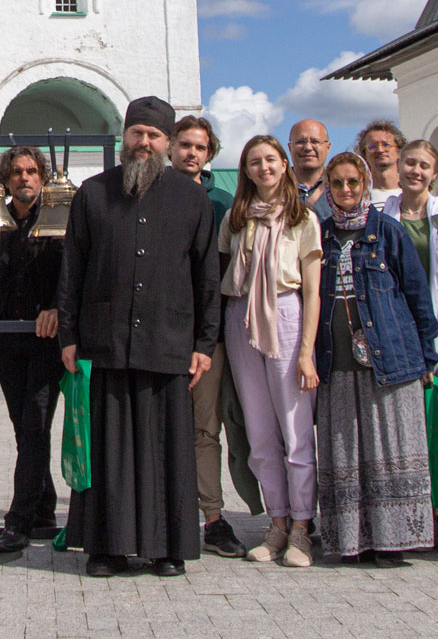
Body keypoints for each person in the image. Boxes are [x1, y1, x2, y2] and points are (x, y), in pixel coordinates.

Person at [58, 97, 220, 578]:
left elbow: (206, 276)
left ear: (168, 143)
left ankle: (165, 549)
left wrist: (204, 344)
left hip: (168, 341)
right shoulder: (92, 193)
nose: (144, 143)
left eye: (153, 136)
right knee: (107, 450)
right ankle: (105, 548)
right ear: (123, 138)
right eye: (137, 134)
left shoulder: (192, 200)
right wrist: (68, 335)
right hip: (105, 340)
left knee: (166, 451)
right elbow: (72, 269)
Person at [313, 151, 438, 566]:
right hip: (337, 362)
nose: (346, 190)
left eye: (353, 182)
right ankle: (352, 540)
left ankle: (392, 542)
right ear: (327, 188)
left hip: (391, 362)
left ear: (365, 185)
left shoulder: (388, 231)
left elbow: (418, 295)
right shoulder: (320, 234)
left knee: (389, 450)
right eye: (337, 183)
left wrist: (427, 355)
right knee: (347, 453)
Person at [220, 133, 322, 568]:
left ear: (284, 165)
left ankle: (302, 527)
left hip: (285, 313)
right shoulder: (236, 218)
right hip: (241, 319)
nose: (263, 168)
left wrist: (306, 351)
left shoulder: (303, 219)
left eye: (270, 160)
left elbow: (313, 291)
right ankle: (277, 523)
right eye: (254, 162)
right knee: (260, 433)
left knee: (296, 433)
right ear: (245, 171)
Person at [382, 139, 438, 553]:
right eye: (409, 163)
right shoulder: (382, 215)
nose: (415, 171)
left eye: (424, 165)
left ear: (435, 173)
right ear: (397, 166)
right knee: (410, 427)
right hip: (396, 331)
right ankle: (423, 515)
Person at [0, 144, 64, 554]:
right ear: (6, 180)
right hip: (8, 343)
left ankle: (19, 521)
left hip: (47, 343)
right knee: (24, 429)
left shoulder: (58, 217)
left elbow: (74, 274)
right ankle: (45, 504)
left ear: (42, 177)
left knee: (34, 427)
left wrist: (58, 308)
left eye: (31, 171)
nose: (24, 178)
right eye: (16, 172)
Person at [169, 115, 246, 558]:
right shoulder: (151, 196)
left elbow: (226, 274)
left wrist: (209, 338)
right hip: (162, 336)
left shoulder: (223, 203)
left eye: (199, 147)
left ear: (209, 153)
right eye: (184, 145)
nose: (191, 153)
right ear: (171, 148)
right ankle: (163, 513)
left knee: (204, 430)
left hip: (206, 338)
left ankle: (212, 518)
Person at [355, 120, 406, 213]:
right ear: (364, 155)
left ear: (399, 151)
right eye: (372, 146)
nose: (380, 150)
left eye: (386, 145)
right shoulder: (357, 198)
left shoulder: (410, 194)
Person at [288, 119, 333, 208]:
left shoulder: (339, 186)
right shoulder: (276, 187)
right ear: (290, 148)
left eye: (315, 141)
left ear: (328, 147)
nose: (308, 147)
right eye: (301, 141)